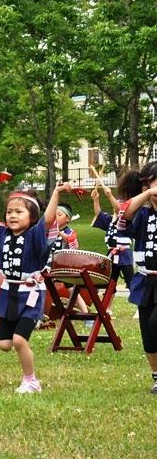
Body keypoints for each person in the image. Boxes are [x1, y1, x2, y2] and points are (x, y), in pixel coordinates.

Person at [0, 184, 62, 394]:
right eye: (9, 211)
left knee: (19, 341)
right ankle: (26, 368)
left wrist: (56, 192)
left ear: (32, 217)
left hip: (31, 294)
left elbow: (48, 219)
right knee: (4, 344)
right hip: (7, 294)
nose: (12, 216)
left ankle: (31, 380)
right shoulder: (0, 234)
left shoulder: (36, 235)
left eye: (19, 212)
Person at [119, 161, 157, 394]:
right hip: (145, 281)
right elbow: (124, 213)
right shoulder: (142, 215)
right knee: (148, 335)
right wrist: (147, 195)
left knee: (156, 323)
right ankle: (156, 377)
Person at [91, 176, 139, 292]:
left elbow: (120, 210)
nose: (116, 207)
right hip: (111, 254)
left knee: (131, 281)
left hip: (125, 254)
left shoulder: (127, 219)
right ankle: (107, 308)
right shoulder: (109, 220)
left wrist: (109, 195)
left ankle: (139, 308)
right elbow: (98, 214)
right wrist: (96, 199)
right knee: (110, 283)